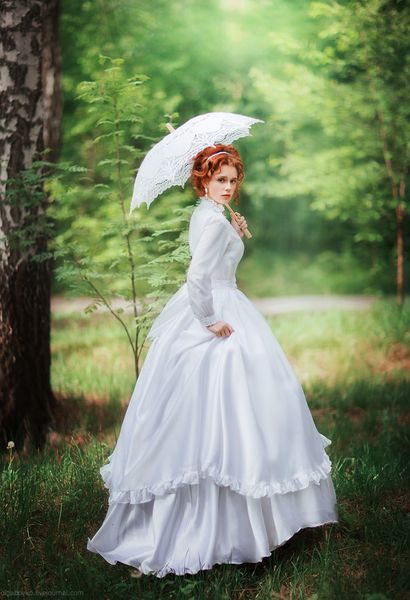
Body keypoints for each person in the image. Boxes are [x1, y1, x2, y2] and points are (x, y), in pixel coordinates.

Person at [87, 144, 338, 577]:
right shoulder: (213, 222)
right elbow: (198, 277)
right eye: (219, 179)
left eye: (232, 179)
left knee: (242, 409)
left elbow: (212, 254)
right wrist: (210, 320)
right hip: (215, 312)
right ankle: (219, 530)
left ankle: (244, 523)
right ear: (202, 179)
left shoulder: (209, 215)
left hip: (218, 302)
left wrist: (233, 231)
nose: (228, 186)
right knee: (227, 413)